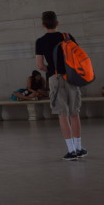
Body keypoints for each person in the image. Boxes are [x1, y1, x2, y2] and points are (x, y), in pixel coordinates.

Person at [35, 11, 86, 160]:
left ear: (43, 24)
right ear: (58, 23)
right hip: (71, 78)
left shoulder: (40, 41)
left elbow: (40, 65)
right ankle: (79, 148)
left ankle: (71, 151)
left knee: (62, 115)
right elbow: (78, 57)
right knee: (74, 113)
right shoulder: (67, 37)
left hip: (55, 78)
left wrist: (50, 69)